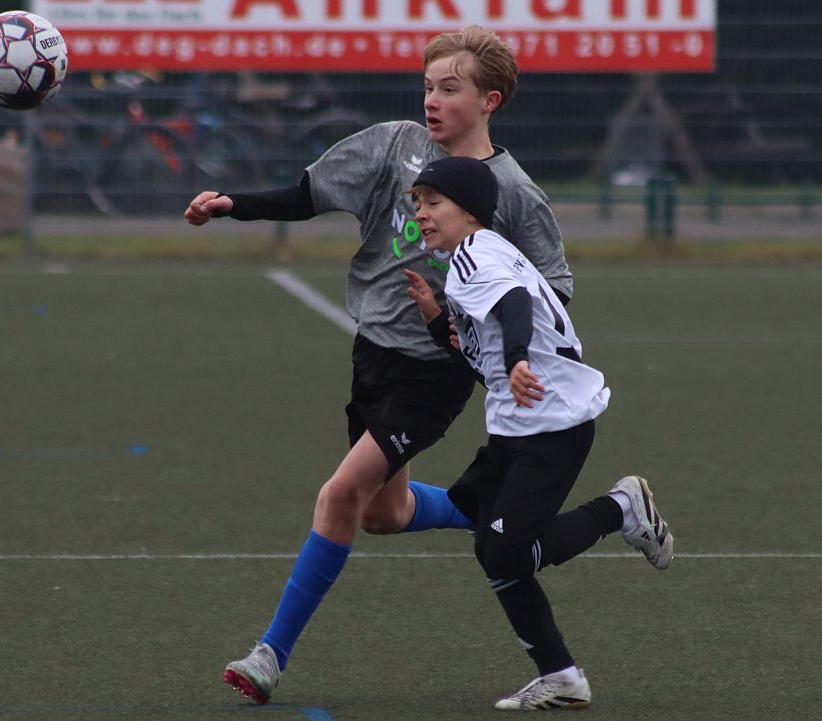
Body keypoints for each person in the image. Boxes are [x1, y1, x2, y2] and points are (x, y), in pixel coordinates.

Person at [184, 26, 574, 705]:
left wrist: (492, 343)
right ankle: (485, 508)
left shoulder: (511, 191)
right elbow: (308, 194)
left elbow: (553, 288)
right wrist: (233, 205)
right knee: (381, 513)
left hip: (436, 372)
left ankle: (269, 654)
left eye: (449, 89)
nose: (432, 99)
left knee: (339, 494)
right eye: (427, 86)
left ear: (491, 99)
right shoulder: (394, 146)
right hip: (373, 355)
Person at [402, 156, 674, 710]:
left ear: (469, 209)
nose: (422, 215)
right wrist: (436, 318)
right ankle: (563, 678)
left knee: (505, 554)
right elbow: (479, 358)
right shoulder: (479, 257)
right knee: (490, 545)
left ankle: (621, 509)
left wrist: (521, 358)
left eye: (433, 203)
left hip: (551, 426)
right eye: (417, 205)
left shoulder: (476, 256)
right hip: (518, 429)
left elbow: (514, 303)